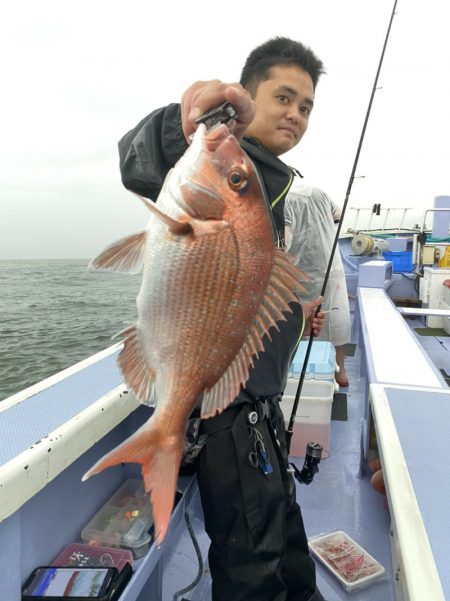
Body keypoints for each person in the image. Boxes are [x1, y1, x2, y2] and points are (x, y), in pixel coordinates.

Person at [119, 37, 326, 601]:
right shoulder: (217, 158)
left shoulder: (279, 186)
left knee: (286, 544)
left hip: (261, 410)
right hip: (230, 421)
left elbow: (272, 283)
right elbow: (137, 162)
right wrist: (183, 121)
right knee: (250, 568)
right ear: (247, 100)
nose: (295, 114)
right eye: (283, 97)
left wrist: (300, 312)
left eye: (306, 105)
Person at [285, 177, 351, 387]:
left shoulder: (283, 198)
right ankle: (340, 372)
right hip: (333, 267)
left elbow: (282, 244)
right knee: (334, 318)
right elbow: (338, 214)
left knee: (305, 322)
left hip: (302, 272)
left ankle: (306, 377)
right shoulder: (318, 192)